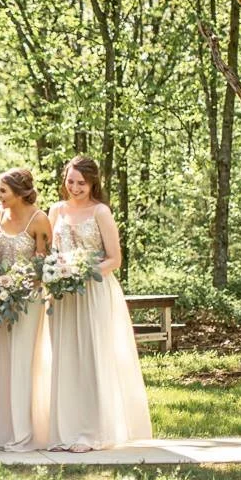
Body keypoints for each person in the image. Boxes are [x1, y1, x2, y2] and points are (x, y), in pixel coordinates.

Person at [47, 156, 152, 451]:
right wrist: (56, 272)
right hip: (63, 296)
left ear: (93, 182)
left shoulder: (101, 212)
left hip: (94, 291)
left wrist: (81, 272)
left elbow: (114, 260)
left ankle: (92, 432)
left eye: (81, 182)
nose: (75, 187)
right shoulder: (56, 210)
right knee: (65, 358)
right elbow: (47, 253)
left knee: (92, 357)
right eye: (70, 181)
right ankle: (64, 430)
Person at [0, 168, 52, 451]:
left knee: (23, 360)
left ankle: (24, 433)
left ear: (19, 192)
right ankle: (2, 431)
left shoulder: (40, 220)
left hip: (29, 299)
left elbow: (43, 265)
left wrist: (20, 285)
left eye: (3, 190)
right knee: (3, 361)